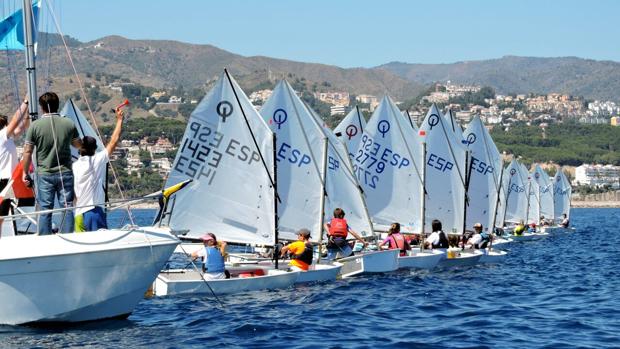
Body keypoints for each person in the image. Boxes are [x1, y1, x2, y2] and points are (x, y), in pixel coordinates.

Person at [22, 92, 83, 234]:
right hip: (65, 173)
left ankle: (45, 240)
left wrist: (25, 172)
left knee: (45, 209)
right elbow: (78, 145)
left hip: (44, 174)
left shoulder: (35, 126)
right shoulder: (68, 123)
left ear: (42, 107)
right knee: (67, 207)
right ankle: (68, 237)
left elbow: (27, 152)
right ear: (58, 105)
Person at [73, 107, 125, 232]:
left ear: (80, 149)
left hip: (78, 214)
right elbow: (113, 142)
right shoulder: (97, 160)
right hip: (93, 212)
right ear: (95, 149)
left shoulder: (74, 166)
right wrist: (119, 120)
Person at [0, 98, 30, 236]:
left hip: (11, 180)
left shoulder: (8, 138)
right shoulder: (1, 136)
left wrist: (30, 113)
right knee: (1, 216)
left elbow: (22, 126)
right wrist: (26, 103)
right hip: (3, 181)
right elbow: (16, 119)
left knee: (3, 215)